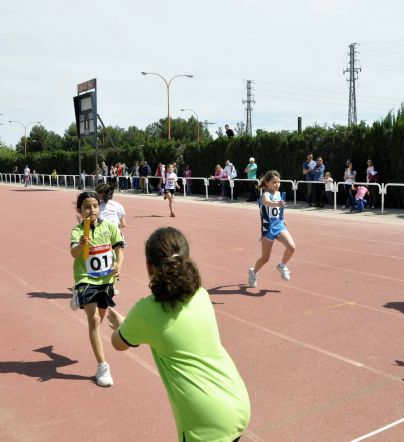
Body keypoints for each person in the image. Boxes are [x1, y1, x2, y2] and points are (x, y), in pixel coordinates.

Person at [107, 227, 250, 441]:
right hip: (237, 399)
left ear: (149, 266)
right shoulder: (201, 295)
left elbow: (118, 343)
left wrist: (124, 325)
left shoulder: (146, 311)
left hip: (205, 421)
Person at [69, 190, 125, 387]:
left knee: (98, 322)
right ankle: (102, 365)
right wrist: (81, 245)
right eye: (86, 207)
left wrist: (118, 264)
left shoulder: (109, 227)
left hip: (106, 280)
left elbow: (119, 249)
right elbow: (75, 253)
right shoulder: (77, 231)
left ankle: (79, 300)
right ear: (79, 210)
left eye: (94, 206)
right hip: (85, 278)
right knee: (93, 320)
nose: (91, 210)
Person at [248, 170, 296, 288]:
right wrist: (277, 204)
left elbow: (278, 210)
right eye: (274, 182)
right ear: (267, 183)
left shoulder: (279, 194)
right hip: (268, 229)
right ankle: (253, 272)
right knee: (265, 258)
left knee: (291, 247)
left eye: (278, 182)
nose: (277, 184)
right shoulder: (265, 194)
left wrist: (282, 218)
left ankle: (282, 265)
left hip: (279, 226)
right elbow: (267, 202)